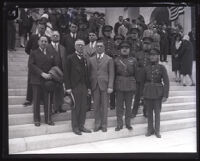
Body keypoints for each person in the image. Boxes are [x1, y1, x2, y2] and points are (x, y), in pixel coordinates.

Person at [64, 39, 92, 135]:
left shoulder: (84, 58)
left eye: (82, 45)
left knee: (83, 107)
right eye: (79, 45)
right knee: (76, 107)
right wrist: (68, 87)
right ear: (75, 47)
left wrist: (88, 87)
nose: (80, 47)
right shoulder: (70, 58)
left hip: (83, 86)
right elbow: (66, 74)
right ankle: (75, 127)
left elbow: (87, 74)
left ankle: (81, 125)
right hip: (74, 86)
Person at [28, 35, 56, 126]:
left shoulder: (51, 53)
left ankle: (48, 119)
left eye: (45, 41)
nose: (44, 43)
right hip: (37, 80)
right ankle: (37, 119)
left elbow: (54, 65)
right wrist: (42, 73)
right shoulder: (33, 52)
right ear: (38, 42)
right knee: (36, 101)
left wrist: (52, 73)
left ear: (47, 43)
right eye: (42, 41)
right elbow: (31, 65)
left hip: (47, 81)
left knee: (48, 101)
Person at [88, 40, 114, 132]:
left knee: (104, 106)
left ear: (104, 48)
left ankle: (104, 125)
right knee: (96, 106)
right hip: (94, 85)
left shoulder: (109, 59)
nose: (99, 48)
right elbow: (89, 73)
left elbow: (111, 73)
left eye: (101, 46)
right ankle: (97, 124)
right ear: (95, 48)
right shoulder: (91, 60)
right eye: (97, 46)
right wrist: (89, 87)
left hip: (105, 85)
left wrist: (110, 86)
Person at [144, 48, 169, 138]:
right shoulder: (146, 67)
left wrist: (165, 95)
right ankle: (150, 130)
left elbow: (166, 82)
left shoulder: (162, 67)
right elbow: (143, 82)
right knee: (149, 113)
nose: (152, 57)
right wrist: (143, 94)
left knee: (157, 113)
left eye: (154, 55)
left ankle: (157, 131)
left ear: (158, 56)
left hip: (158, 93)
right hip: (148, 92)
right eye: (151, 55)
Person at [23, 22, 50, 107]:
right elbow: (27, 49)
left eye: (42, 28)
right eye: (40, 27)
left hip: (43, 63)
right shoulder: (33, 37)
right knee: (30, 80)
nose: (41, 29)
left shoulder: (47, 38)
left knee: (42, 81)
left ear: (45, 29)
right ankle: (29, 99)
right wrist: (33, 56)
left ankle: (41, 98)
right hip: (33, 62)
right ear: (37, 27)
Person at [114, 41, 137, 131]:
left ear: (129, 50)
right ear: (120, 50)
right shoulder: (116, 60)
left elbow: (135, 73)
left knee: (128, 106)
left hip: (130, 85)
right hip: (119, 84)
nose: (124, 49)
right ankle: (119, 124)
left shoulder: (133, 60)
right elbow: (114, 73)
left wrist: (135, 86)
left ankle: (128, 123)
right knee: (119, 106)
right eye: (123, 48)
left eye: (126, 48)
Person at [132, 29, 153, 118]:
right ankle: (134, 112)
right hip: (139, 78)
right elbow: (134, 66)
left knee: (147, 96)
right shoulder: (138, 54)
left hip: (148, 79)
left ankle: (146, 111)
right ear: (142, 44)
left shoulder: (153, 55)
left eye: (148, 44)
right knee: (137, 96)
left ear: (150, 45)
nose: (146, 45)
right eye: (145, 43)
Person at [46, 30, 67, 113]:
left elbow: (64, 62)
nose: (55, 37)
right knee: (52, 91)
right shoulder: (47, 47)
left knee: (60, 90)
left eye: (57, 36)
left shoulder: (63, 48)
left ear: (59, 37)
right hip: (51, 73)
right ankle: (52, 108)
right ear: (51, 37)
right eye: (54, 35)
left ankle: (60, 107)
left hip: (61, 73)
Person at [100, 25, 116, 110]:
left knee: (111, 83)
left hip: (111, 63)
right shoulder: (101, 41)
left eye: (110, 31)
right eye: (106, 31)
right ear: (103, 32)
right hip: (103, 63)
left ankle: (112, 103)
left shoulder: (113, 40)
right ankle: (103, 103)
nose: (108, 32)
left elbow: (115, 50)